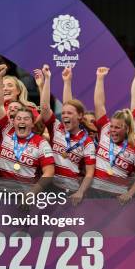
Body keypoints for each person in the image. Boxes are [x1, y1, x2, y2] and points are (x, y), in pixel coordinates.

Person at [38, 65, 95, 205]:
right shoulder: (57, 127)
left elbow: (89, 172)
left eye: (69, 113)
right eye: (63, 113)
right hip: (49, 187)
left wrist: (80, 192)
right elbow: (45, 108)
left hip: (70, 191)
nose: (65, 116)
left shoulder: (87, 141)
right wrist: (48, 78)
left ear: (80, 116)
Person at [90, 67, 135, 204]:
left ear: (127, 129)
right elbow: (99, 104)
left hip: (117, 199)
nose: (113, 130)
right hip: (93, 194)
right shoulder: (104, 130)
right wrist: (99, 78)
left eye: (117, 127)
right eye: (112, 126)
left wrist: (129, 194)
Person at [0, 64, 54, 193]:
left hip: (27, 195)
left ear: (33, 123)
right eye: (18, 118)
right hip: (2, 194)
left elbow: (49, 172)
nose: (22, 121)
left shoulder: (41, 143)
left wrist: (32, 193)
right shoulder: (6, 131)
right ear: (13, 121)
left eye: (26, 119)